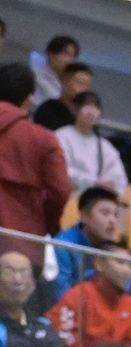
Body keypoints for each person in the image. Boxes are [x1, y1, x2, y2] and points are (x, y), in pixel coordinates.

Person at [0, 62, 68, 241]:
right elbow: (60, 191)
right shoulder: (44, 139)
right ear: (28, 99)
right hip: (20, 237)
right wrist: (43, 224)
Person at [46, 246, 131, 347]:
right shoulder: (79, 294)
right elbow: (64, 336)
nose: (128, 271)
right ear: (99, 264)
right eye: (120, 262)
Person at [56, 91, 123, 198]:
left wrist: (107, 184)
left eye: (95, 107)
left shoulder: (104, 145)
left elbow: (118, 175)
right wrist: (92, 182)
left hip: (94, 198)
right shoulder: (62, 135)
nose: (91, 112)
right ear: (75, 109)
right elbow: (60, 169)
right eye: (87, 105)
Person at [29, 59, 86, 130]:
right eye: (80, 83)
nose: (84, 89)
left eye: (87, 85)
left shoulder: (83, 113)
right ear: (65, 81)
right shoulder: (48, 108)